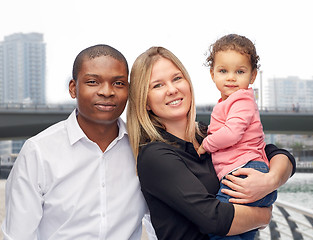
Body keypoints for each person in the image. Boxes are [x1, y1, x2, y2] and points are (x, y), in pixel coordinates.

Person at [127, 46, 296, 240]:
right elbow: (213, 219)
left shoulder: (208, 135)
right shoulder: (155, 155)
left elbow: (276, 153)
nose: (172, 90)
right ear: (145, 101)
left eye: (177, 79)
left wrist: (271, 179)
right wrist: (264, 216)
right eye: (158, 85)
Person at [2, 44, 155, 239]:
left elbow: (159, 222)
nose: (107, 92)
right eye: (93, 82)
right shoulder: (38, 152)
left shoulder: (143, 150)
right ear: (73, 88)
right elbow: (18, 235)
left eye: (118, 83)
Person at [196, 34, 275, 240]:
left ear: (253, 76)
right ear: (212, 74)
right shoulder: (227, 102)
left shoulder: (241, 100)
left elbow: (232, 133)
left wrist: (207, 144)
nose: (231, 77)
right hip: (245, 170)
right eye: (223, 71)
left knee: (218, 226)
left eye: (240, 71)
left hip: (244, 171)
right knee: (242, 232)